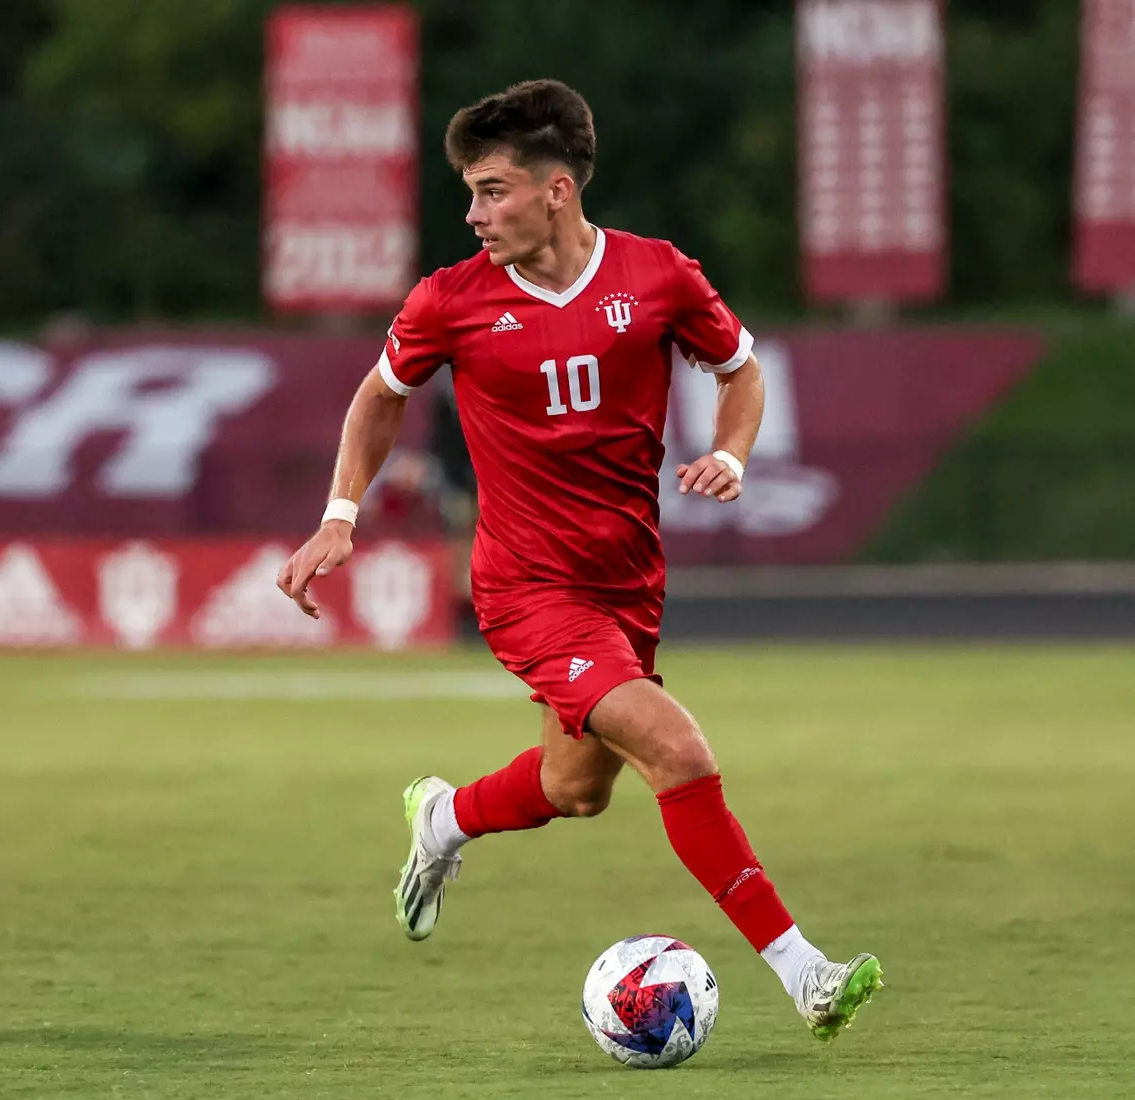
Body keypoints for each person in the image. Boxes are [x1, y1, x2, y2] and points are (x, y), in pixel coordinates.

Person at [275, 79, 882, 1041]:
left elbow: (742, 371)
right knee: (677, 750)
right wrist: (340, 514)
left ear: (557, 190)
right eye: (469, 194)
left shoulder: (657, 277)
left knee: (576, 789)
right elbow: (379, 396)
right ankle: (805, 972)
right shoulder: (451, 300)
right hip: (525, 586)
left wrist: (728, 452)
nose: (473, 215)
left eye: (492, 191)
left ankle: (445, 820)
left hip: (628, 585)